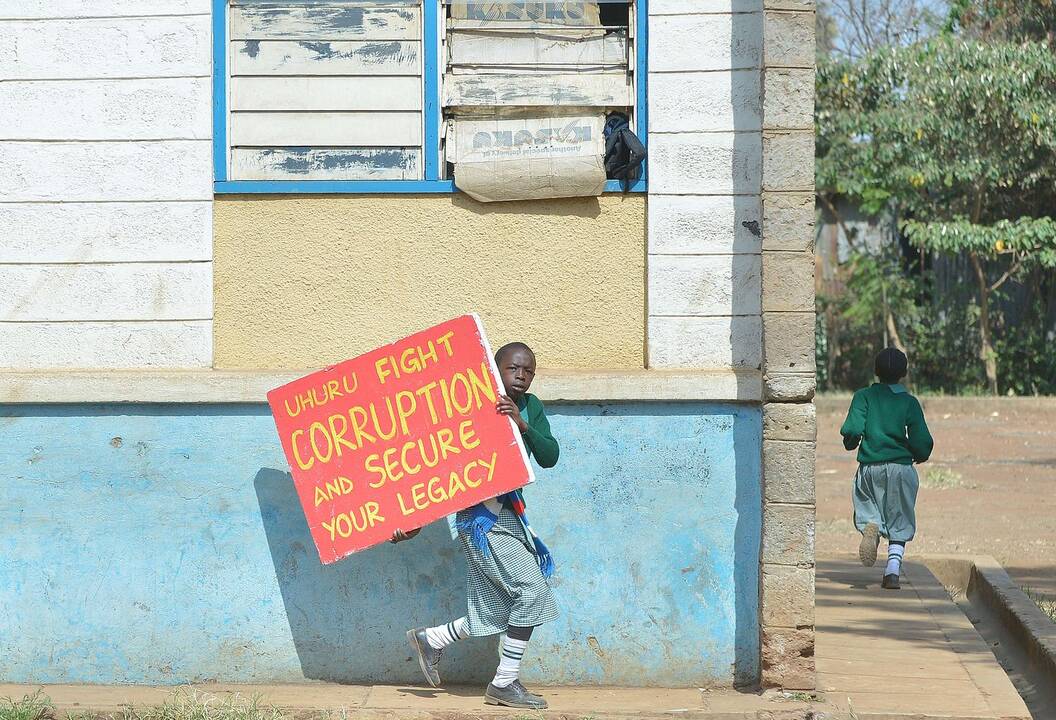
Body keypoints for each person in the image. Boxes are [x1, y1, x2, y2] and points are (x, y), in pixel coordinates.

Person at [390, 342, 559, 709]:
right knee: (532, 592)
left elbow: (550, 455)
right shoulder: (469, 404)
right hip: (480, 520)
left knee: (499, 608)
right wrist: (416, 521)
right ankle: (504, 682)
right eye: (514, 368)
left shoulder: (531, 407)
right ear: (494, 369)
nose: (522, 375)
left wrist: (521, 422)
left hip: (509, 513)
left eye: (529, 370)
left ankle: (432, 639)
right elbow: (444, 468)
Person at [840, 347, 934, 590]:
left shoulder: (863, 397)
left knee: (868, 506)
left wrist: (851, 443)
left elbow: (851, 430)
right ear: (904, 373)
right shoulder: (909, 402)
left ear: (875, 372)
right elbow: (922, 440)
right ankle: (892, 570)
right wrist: (919, 454)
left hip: (869, 467)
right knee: (900, 516)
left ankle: (871, 527)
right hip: (900, 468)